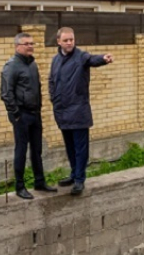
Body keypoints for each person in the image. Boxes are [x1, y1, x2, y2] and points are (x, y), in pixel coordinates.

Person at [48, 27, 113, 195]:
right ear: (59, 42)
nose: (70, 43)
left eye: (72, 39)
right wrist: (53, 98)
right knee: (70, 147)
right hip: (62, 111)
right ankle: (73, 174)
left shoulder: (81, 57)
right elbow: (52, 81)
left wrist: (103, 59)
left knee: (80, 148)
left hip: (78, 111)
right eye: (66, 40)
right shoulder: (55, 60)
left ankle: (79, 180)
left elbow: (92, 59)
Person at [0, 32, 57, 199]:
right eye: (27, 44)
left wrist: (39, 109)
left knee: (37, 150)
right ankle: (20, 186)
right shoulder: (11, 66)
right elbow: (6, 93)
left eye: (32, 43)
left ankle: (39, 182)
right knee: (21, 150)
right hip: (21, 115)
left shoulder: (32, 64)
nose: (31, 46)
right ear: (18, 46)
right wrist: (16, 113)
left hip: (35, 114)